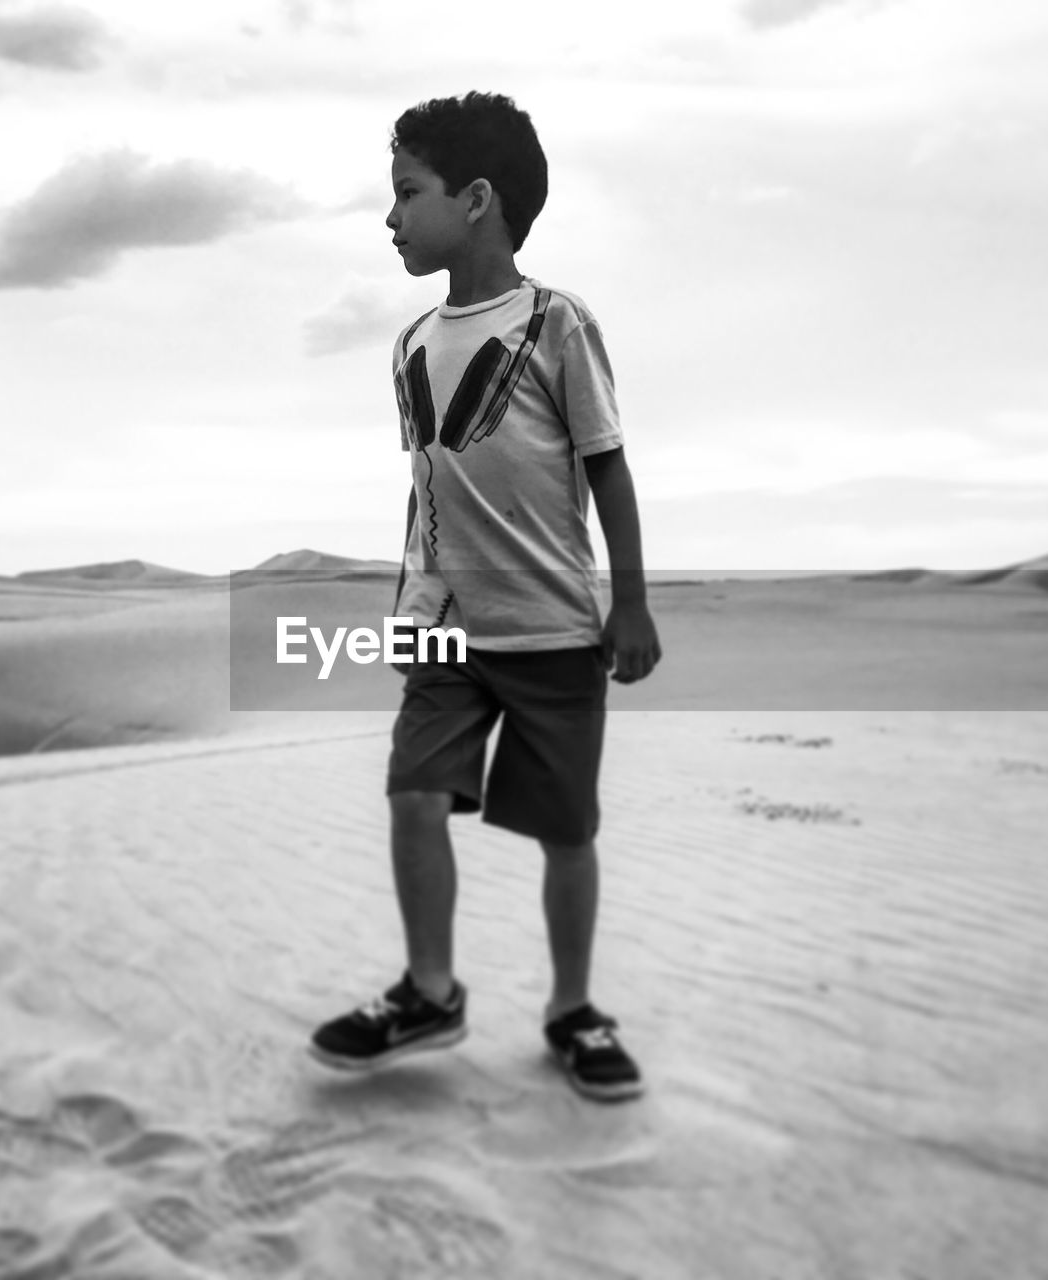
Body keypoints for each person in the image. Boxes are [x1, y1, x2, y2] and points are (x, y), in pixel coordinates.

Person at [309, 91, 662, 1102]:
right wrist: (400, 600)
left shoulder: (557, 323)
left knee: (566, 830)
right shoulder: (409, 342)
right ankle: (429, 988)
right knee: (412, 795)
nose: (390, 217)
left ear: (474, 200)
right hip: (443, 629)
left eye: (404, 193)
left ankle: (571, 1008)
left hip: (551, 624)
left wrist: (627, 602)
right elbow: (426, 482)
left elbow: (608, 471)